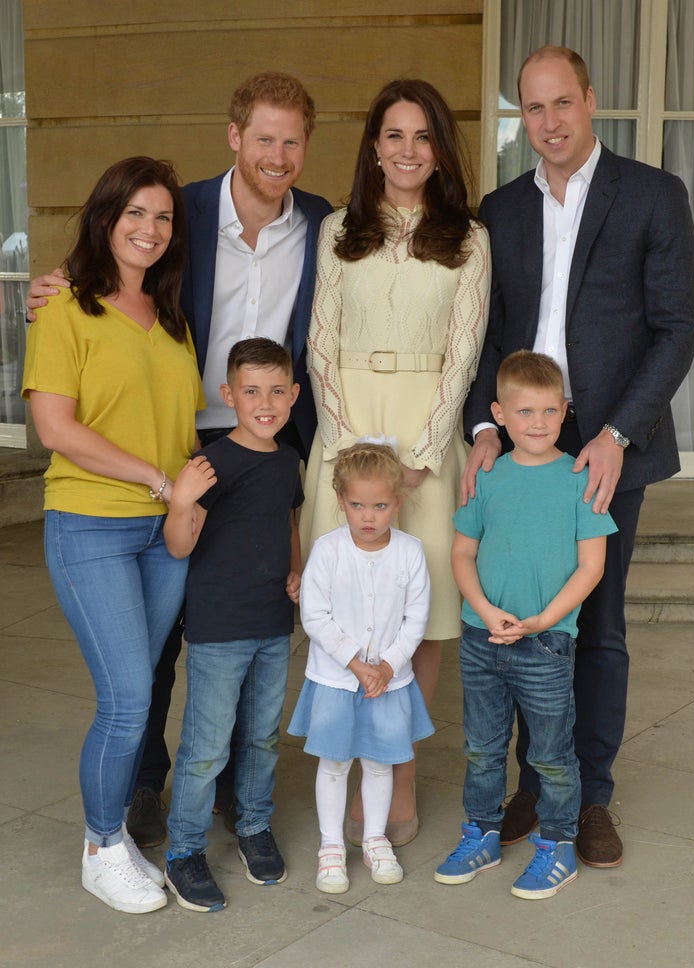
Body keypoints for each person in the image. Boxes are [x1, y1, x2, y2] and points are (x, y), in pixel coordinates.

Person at [27, 72, 334, 847]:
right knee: (156, 644)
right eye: (262, 136)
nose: (276, 154)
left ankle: (230, 778)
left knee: (238, 614)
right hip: (175, 442)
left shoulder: (323, 222)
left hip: (265, 442)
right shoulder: (183, 211)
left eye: (291, 140)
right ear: (234, 135)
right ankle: (143, 787)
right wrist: (62, 284)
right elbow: (120, 257)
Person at [461, 46, 694, 867]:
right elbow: (486, 332)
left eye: (563, 104)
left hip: (608, 451)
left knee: (593, 621)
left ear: (591, 101)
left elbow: (677, 327)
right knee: (520, 612)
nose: (550, 123)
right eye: (534, 109)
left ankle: (589, 795)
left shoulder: (652, 195)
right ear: (520, 117)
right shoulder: (498, 208)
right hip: (519, 442)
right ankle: (537, 784)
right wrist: (482, 428)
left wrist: (618, 432)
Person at [300, 78, 490, 845]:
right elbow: (316, 342)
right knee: (343, 600)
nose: (408, 150)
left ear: (440, 151)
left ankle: (400, 771)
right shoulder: (339, 230)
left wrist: (418, 456)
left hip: (424, 436)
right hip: (347, 429)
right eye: (394, 135)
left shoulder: (470, 239)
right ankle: (345, 755)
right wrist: (351, 452)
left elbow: (465, 352)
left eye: (423, 137)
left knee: (427, 610)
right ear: (374, 148)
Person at [21, 156, 205, 913]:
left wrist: (179, 502)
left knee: (146, 687)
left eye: (162, 217)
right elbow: (54, 426)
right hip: (92, 523)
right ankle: (102, 845)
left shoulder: (171, 319)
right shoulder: (65, 309)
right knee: (128, 697)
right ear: (105, 219)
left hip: (161, 534)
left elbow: (178, 426)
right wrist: (158, 482)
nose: (149, 229)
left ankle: (114, 835)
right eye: (134, 213)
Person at [435, 351, 616, 899]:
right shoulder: (486, 476)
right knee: (483, 747)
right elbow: (463, 553)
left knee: (551, 754)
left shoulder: (579, 480)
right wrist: (484, 610)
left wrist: (545, 619)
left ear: (565, 412)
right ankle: (482, 832)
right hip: (480, 635)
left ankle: (559, 844)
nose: (537, 423)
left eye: (548, 411)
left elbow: (592, 565)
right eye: (524, 411)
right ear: (499, 414)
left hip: (547, 641)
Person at [162, 338, 303, 912]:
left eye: (276, 391)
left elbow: (289, 523)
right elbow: (178, 546)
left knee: (262, 736)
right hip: (220, 627)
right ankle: (185, 850)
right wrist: (179, 500)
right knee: (205, 747)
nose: (264, 403)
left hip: (273, 622)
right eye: (251, 391)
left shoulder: (288, 457)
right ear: (228, 395)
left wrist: (296, 569)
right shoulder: (210, 463)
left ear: (294, 395)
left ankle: (252, 826)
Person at [289, 442, 433, 894]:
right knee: (334, 762)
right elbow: (314, 615)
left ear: (397, 503)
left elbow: (416, 619)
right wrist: (356, 663)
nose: (368, 516)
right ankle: (330, 846)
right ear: (340, 501)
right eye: (356, 505)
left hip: (388, 684)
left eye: (379, 505)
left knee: (378, 762)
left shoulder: (410, 552)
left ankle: (374, 838)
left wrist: (387, 667)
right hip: (336, 679)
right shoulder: (327, 550)